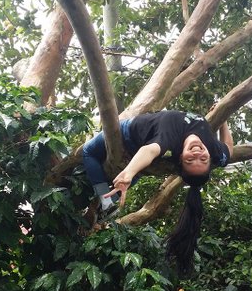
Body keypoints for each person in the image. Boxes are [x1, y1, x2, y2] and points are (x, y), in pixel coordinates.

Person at [82, 109, 233, 273]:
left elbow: (150, 150)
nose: (197, 153)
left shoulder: (171, 137)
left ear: (180, 158)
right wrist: (224, 121)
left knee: (88, 151)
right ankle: (108, 204)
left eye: (190, 159)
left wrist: (129, 172)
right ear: (210, 157)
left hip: (129, 136)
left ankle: (105, 202)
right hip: (143, 149)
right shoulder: (215, 151)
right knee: (138, 173)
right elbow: (229, 150)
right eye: (203, 159)